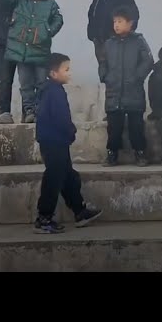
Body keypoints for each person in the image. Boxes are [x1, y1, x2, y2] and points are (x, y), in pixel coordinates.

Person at [34, 52, 102, 234]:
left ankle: (80, 212)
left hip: (55, 141)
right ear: (54, 73)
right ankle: (44, 218)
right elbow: (60, 118)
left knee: (69, 177)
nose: (69, 73)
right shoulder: (53, 92)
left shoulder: (51, 90)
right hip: (53, 141)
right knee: (54, 179)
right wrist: (71, 131)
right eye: (66, 69)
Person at [0, 0, 64, 123]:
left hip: (41, 49)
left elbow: (58, 19)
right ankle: (29, 111)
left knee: (42, 82)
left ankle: (41, 109)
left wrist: (48, 31)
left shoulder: (50, 2)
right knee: (26, 83)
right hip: (21, 50)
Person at [99, 5, 153, 167]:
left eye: (120, 21)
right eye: (114, 21)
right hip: (113, 93)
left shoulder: (139, 41)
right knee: (114, 127)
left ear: (130, 24)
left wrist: (137, 77)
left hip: (133, 92)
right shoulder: (109, 43)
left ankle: (140, 153)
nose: (116, 24)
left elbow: (148, 61)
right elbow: (103, 62)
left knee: (136, 126)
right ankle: (112, 153)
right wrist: (105, 77)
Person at [86, 0, 140, 72]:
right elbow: (91, 14)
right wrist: (93, 35)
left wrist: (123, 34)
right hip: (100, 42)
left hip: (116, 41)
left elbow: (134, 14)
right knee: (105, 71)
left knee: (117, 72)